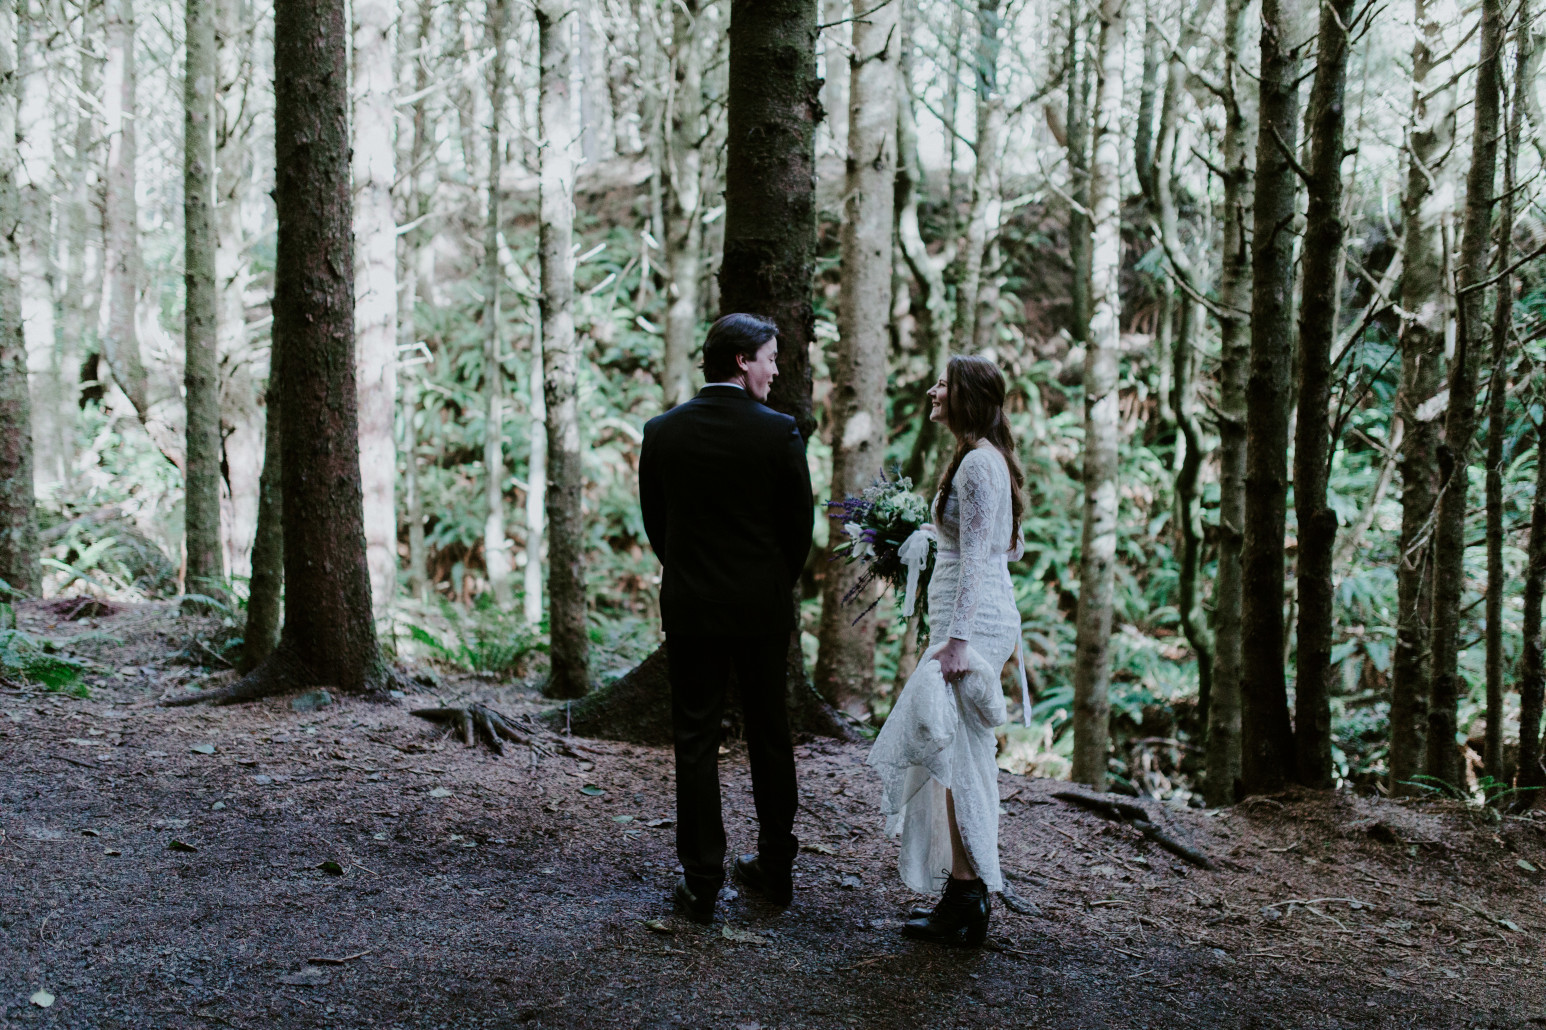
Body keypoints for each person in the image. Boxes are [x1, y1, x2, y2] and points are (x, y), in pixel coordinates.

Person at [639, 313, 815, 924]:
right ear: (741, 361)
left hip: (692, 609)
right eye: (769, 358)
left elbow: (655, 524)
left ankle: (702, 880)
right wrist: (769, 583)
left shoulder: (662, 431)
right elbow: (800, 530)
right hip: (762, 611)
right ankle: (776, 865)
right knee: (771, 736)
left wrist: (693, 576)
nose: (775, 370)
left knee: (695, 740)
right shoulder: (779, 432)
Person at [867, 354, 1026, 947]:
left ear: (966, 397)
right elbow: (1002, 546)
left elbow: (986, 560)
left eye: (943, 384)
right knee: (950, 752)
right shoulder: (982, 458)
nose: (932, 390)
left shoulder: (978, 465)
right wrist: (928, 535)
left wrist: (958, 641)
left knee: (955, 754)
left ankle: (968, 896)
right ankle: (964, 891)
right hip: (965, 619)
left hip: (970, 628)